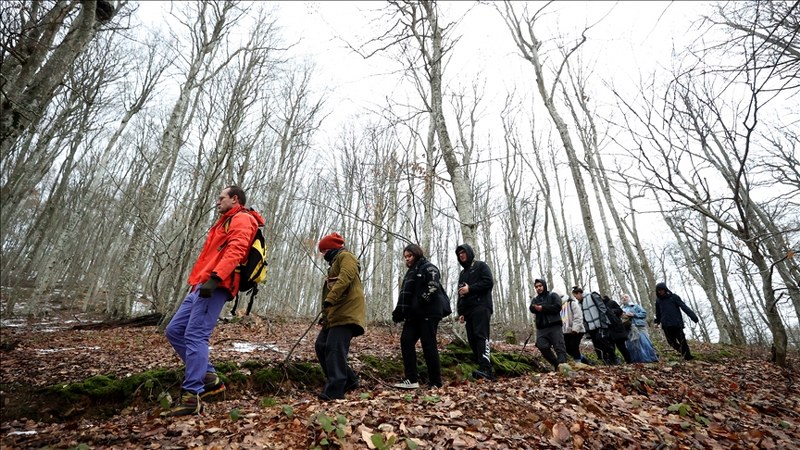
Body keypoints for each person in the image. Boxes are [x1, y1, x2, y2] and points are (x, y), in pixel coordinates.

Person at [163, 186, 264, 417]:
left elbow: (237, 250)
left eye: (222, 198)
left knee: (195, 335)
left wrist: (216, 278)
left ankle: (191, 397)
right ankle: (208, 375)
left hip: (216, 284)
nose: (218, 201)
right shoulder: (224, 221)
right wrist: (199, 281)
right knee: (175, 330)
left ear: (234, 199)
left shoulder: (242, 218)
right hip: (202, 283)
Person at [392, 244, 452, 389]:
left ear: (417, 254)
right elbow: (405, 296)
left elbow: (433, 285)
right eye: (405, 257)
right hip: (414, 314)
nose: (407, 259)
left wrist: (421, 301)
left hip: (429, 312)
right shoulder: (410, 273)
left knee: (428, 344)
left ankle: (436, 382)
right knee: (406, 341)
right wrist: (399, 312)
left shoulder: (428, 267)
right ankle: (411, 379)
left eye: (410, 256)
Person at [314, 232, 366, 400]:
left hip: (347, 313)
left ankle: (335, 391)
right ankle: (350, 380)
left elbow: (345, 278)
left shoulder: (346, 257)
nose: (322, 255)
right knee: (321, 345)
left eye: (323, 251)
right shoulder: (335, 262)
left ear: (330, 248)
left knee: (334, 349)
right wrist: (326, 314)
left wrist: (330, 299)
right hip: (335, 314)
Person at [455, 243, 495, 380]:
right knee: (472, 339)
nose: (461, 255)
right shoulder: (462, 273)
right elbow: (460, 293)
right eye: (459, 253)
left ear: (470, 252)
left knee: (480, 336)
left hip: (482, 306)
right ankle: (482, 366)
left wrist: (470, 289)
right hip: (468, 310)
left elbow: (489, 282)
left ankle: (486, 369)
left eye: (463, 252)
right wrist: (461, 312)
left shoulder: (480, 266)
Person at [654, 282, 699, 361]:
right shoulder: (658, 301)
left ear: (665, 289)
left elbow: (684, 307)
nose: (660, 292)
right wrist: (657, 321)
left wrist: (693, 316)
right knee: (671, 342)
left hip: (676, 323)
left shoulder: (674, 297)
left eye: (661, 290)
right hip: (666, 325)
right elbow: (658, 313)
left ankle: (688, 357)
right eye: (658, 291)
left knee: (682, 341)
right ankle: (684, 353)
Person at [529, 279, 568, 370]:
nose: (538, 288)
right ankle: (556, 364)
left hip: (555, 326)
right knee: (541, 345)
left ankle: (564, 368)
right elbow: (531, 308)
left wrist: (543, 308)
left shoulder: (553, 295)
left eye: (540, 286)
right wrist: (535, 308)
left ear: (544, 286)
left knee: (559, 347)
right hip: (542, 328)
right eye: (536, 287)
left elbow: (557, 307)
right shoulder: (535, 299)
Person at [573, 287, 615, 365]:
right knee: (596, 343)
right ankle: (604, 360)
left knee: (602, 340)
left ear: (579, 293)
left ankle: (613, 357)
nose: (576, 298)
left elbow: (602, 308)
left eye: (576, 296)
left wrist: (603, 323)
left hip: (599, 324)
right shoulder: (580, 304)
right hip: (591, 327)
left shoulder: (592, 296)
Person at [621, 294, 659, 363]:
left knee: (645, 342)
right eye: (622, 298)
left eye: (626, 297)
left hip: (639, 327)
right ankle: (636, 361)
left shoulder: (636, 306)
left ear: (629, 298)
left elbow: (644, 314)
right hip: (629, 329)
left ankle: (651, 358)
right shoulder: (621, 309)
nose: (624, 298)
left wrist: (634, 314)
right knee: (632, 345)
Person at [561, 293, 592, 364]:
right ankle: (584, 360)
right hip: (566, 331)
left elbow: (578, 316)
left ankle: (578, 363)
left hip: (578, 330)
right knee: (567, 348)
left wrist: (575, 329)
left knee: (574, 346)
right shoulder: (558, 306)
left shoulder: (571, 303)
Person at [602, 295, 632, 364]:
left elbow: (620, 311)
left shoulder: (612, 302)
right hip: (608, 330)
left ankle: (629, 361)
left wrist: (610, 311)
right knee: (611, 348)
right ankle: (614, 362)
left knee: (622, 347)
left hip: (617, 329)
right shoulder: (600, 306)